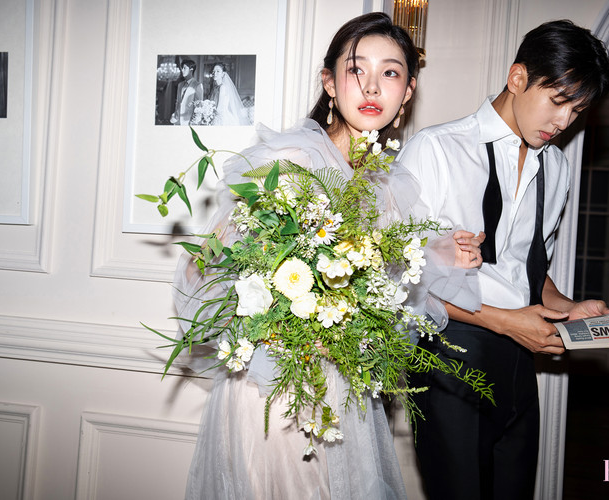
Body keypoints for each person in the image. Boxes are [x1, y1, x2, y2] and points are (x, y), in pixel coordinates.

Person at [173, 12, 483, 499]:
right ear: (330, 83)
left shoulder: (389, 188)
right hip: (272, 393)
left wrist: (442, 253)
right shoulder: (289, 162)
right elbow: (204, 265)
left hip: (343, 393)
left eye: (390, 73)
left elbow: (386, 288)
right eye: (357, 69)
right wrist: (276, 317)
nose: (373, 86)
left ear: (407, 92)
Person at [398, 20, 609, 500]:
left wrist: (568, 308)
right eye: (558, 101)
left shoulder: (556, 166)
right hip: (450, 353)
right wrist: (501, 320)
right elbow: (398, 281)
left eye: (577, 110)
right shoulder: (436, 150)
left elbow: (528, 269)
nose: (564, 122)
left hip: (520, 357)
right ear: (518, 78)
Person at [171, 59, 203, 125]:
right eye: (182, 68)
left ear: (191, 69)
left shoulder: (197, 85)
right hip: (177, 121)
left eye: (184, 68)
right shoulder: (180, 85)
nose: (182, 70)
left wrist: (194, 122)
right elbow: (178, 102)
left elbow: (199, 106)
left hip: (189, 121)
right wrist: (175, 116)